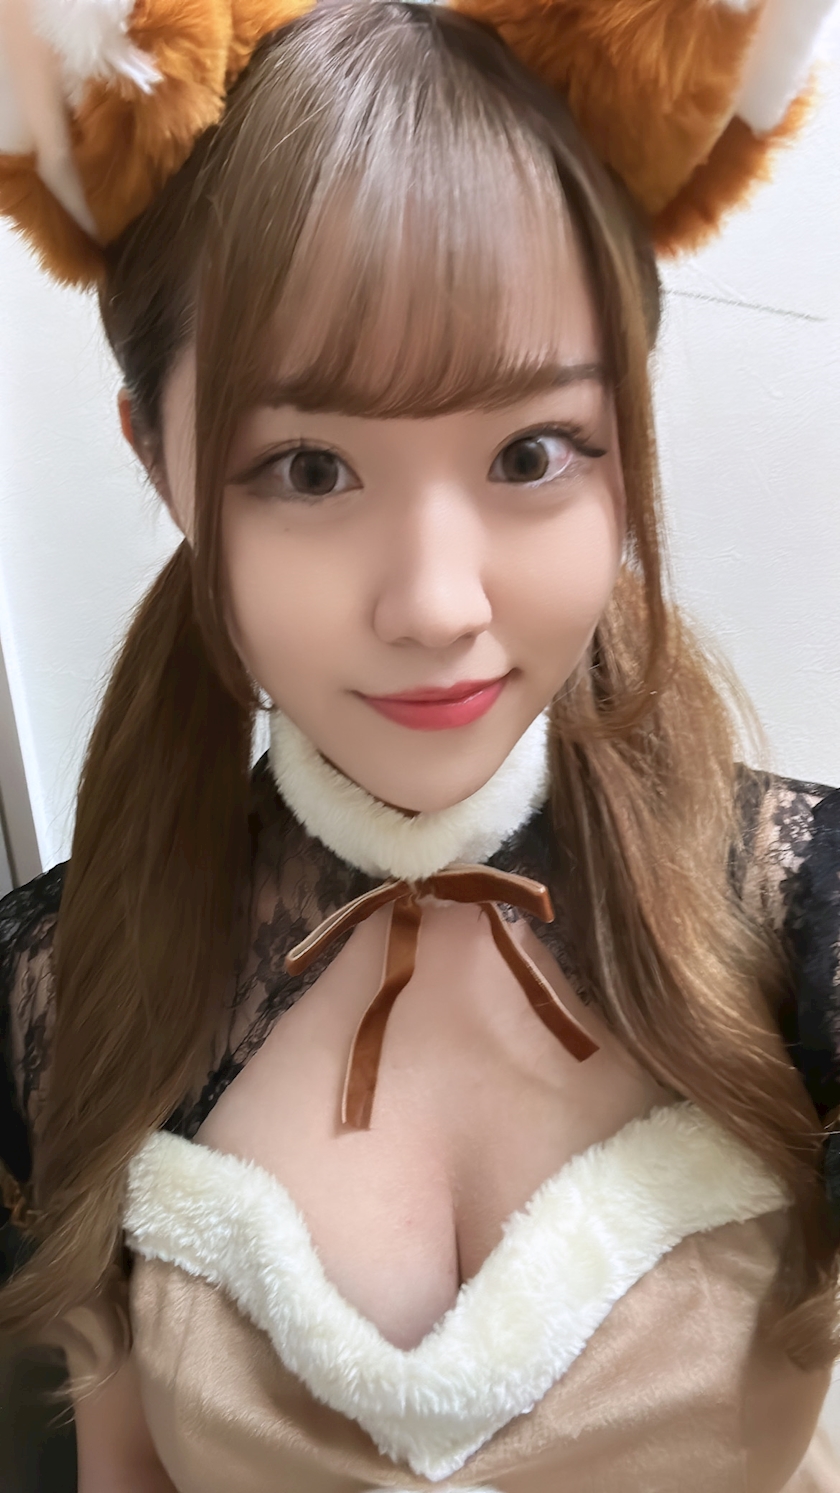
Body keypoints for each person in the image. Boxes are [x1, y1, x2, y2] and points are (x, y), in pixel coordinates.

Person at [1, 0, 840, 1489]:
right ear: (160, 460)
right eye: (309, 469)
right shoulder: (64, 995)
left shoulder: (800, 918)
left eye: (531, 453)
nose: (439, 605)